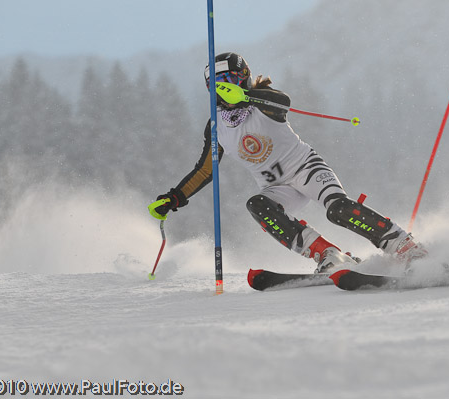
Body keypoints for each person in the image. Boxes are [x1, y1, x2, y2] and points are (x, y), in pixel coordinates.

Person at [154, 52, 426, 273]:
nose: (225, 87)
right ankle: (327, 254)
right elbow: (204, 170)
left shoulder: (263, 102)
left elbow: (283, 102)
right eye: (217, 83)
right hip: (277, 187)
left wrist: (247, 96)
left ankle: (402, 245)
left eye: (229, 79)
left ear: (244, 78)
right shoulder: (216, 127)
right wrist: (173, 199)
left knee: (337, 209)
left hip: (306, 169)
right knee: (257, 204)